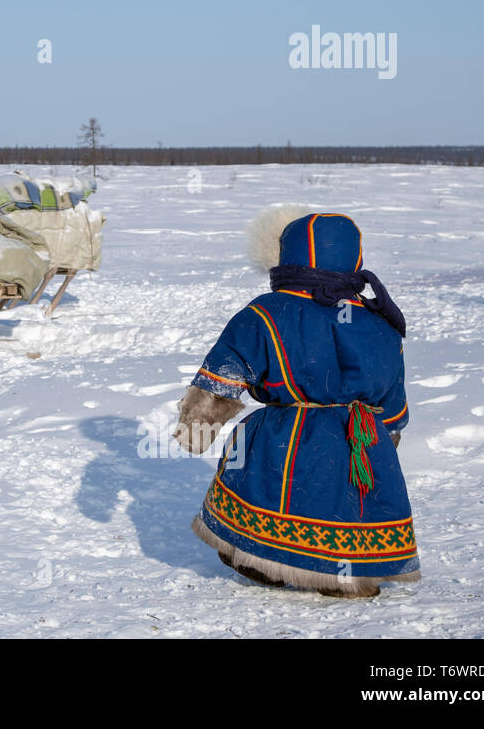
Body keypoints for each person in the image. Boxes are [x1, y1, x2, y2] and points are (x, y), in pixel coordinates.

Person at [173, 212, 419, 598]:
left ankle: (262, 560)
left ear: (287, 255)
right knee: (346, 504)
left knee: (270, 488)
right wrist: (385, 440)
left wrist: (196, 426)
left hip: (288, 432)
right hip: (360, 439)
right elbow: (392, 397)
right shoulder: (378, 321)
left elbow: (225, 374)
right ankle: (347, 575)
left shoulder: (267, 312)